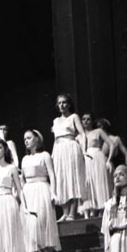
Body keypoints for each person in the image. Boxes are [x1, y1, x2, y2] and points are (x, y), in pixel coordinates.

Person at [21, 130, 61, 252]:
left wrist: (53, 193)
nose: (26, 141)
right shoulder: (25, 159)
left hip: (42, 190)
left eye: (29, 138)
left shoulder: (44, 155)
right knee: (31, 225)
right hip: (28, 192)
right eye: (24, 139)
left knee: (41, 223)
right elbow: (22, 179)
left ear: (37, 139)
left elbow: (52, 175)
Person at [51, 93, 87, 221]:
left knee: (72, 178)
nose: (62, 105)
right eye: (59, 103)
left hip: (71, 148)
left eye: (64, 102)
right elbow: (55, 139)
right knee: (61, 179)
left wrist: (84, 150)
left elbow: (82, 134)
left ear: (69, 104)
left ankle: (72, 212)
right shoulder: (55, 121)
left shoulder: (73, 117)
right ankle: (65, 212)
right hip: (59, 150)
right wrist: (53, 154)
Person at [81, 112, 114, 217]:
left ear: (92, 121)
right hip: (86, 160)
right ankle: (92, 210)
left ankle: (102, 210)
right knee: (88, 184)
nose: (86, 121)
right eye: (84, 119)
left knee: (99, 182)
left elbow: (111, 144)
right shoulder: (80, 135)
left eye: (88, 119)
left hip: (98, 158)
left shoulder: (98, 131)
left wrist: (108, 160)